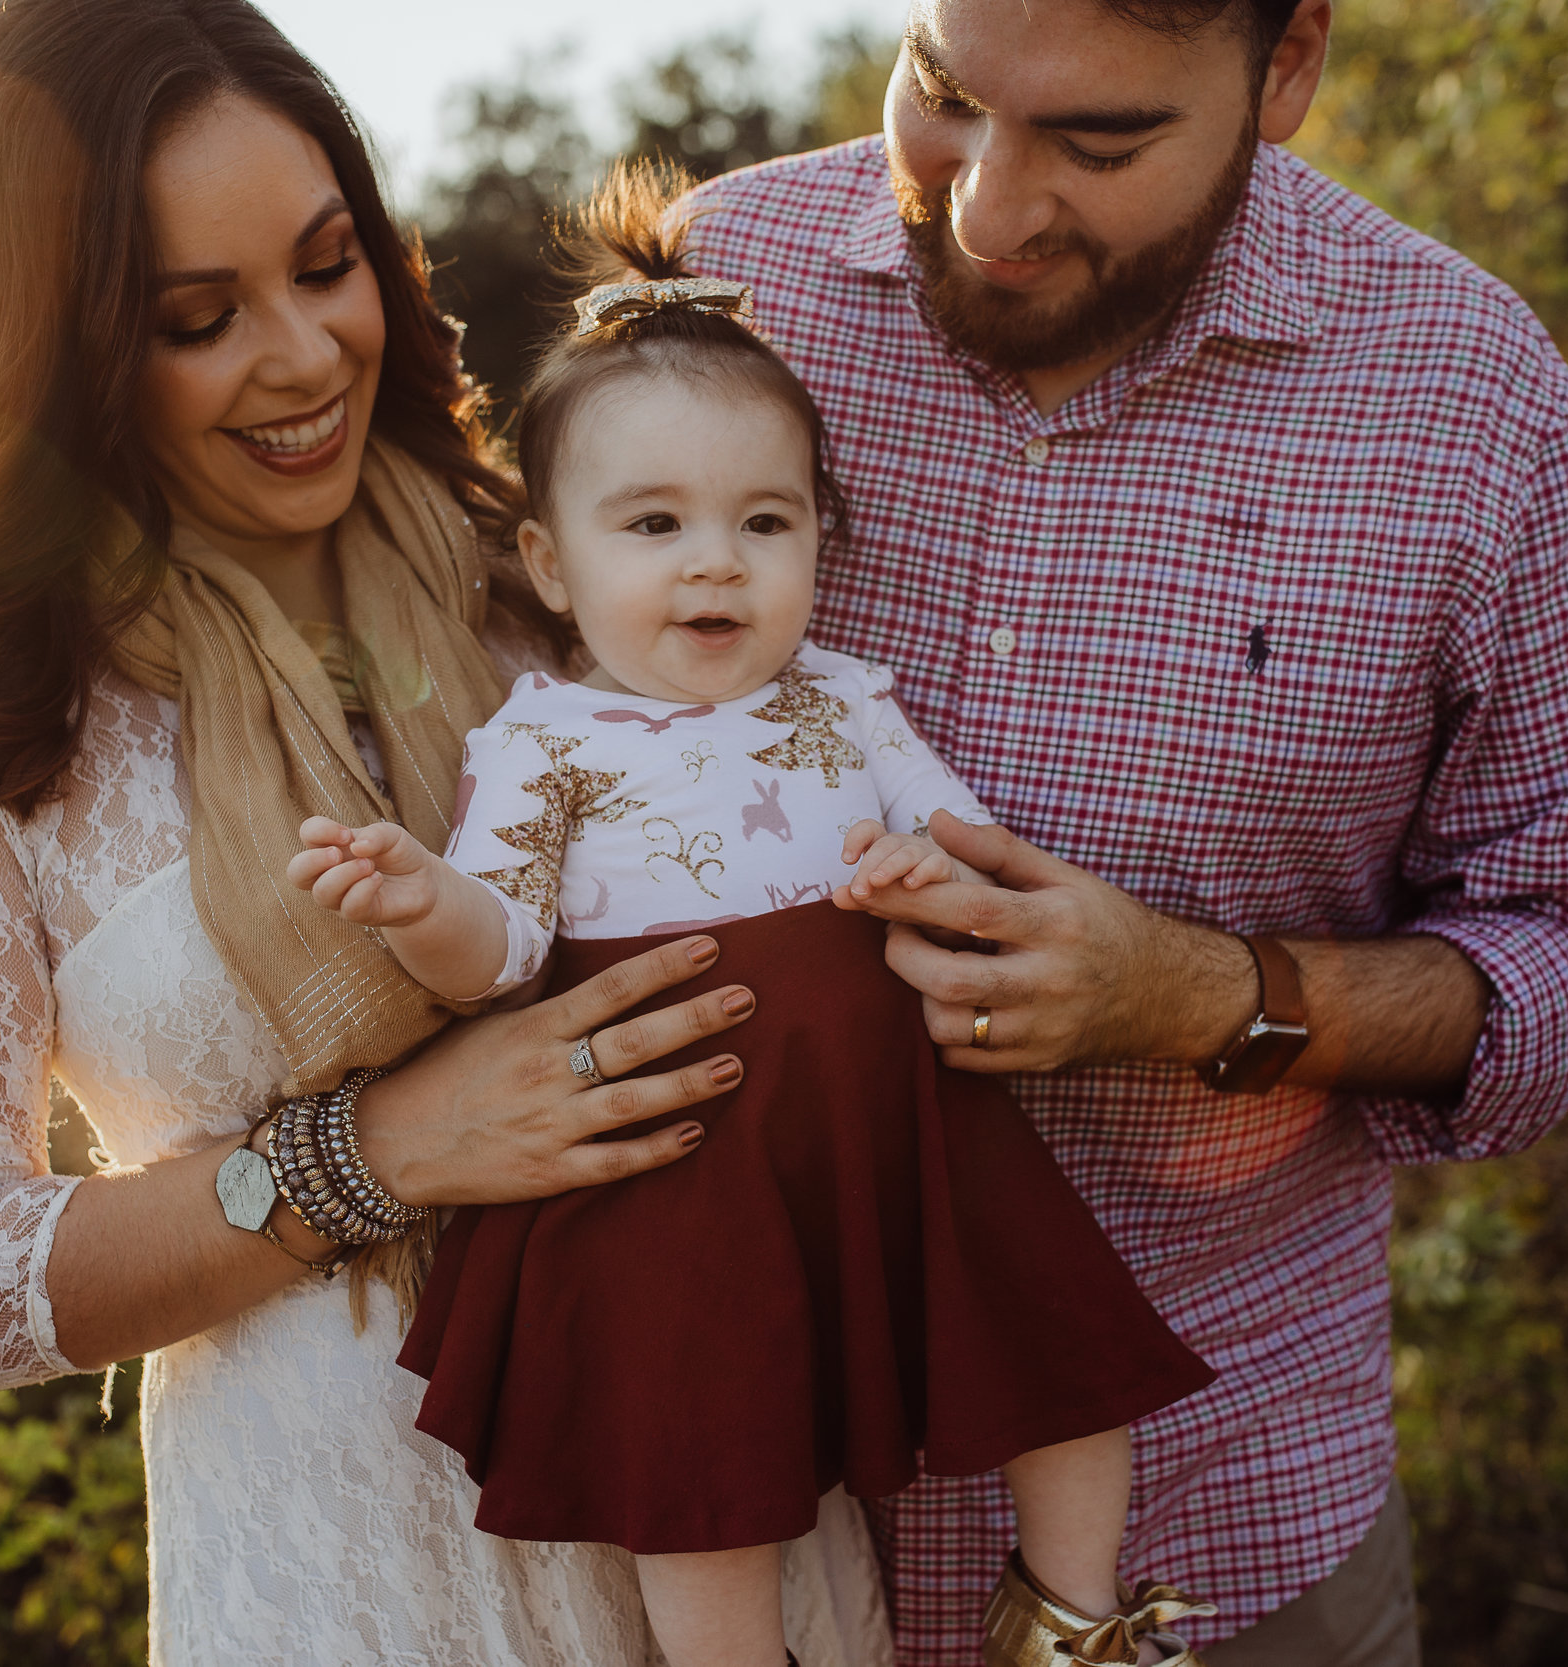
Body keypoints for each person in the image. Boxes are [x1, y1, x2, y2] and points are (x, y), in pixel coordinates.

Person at [0, 1, 891, 1660]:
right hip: (345, 1566)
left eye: (328, 267)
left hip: (715, 1507)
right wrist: (370, 1154)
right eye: (199, 317)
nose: (307, 354)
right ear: (59, 342)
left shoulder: (550, 574)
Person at [680, 1, 1568, 1662]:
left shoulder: (1469, 392)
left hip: (1217, 1545)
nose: (988, 207)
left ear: (1286, 66)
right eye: (941, 96)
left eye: (1100, 144)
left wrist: (1203, 998)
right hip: (725, 1543)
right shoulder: (725, 278)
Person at [285, 167, 1217, 1667]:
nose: (715, 559)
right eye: (652, 523)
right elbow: (502, 955)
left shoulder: (844, 701)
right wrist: (420, 902)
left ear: (817, 545)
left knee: (1065, 1360)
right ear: (551, 564)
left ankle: (1074, 1620)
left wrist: (937, 883)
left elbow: (972, 849)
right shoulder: (549, 741)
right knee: (703, 1470)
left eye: (763, 520)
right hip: (684, 1159)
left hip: (888, 1124)